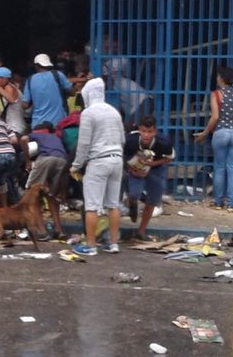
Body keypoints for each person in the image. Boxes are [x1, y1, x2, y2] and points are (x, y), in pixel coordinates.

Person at [71, 77, 124, 256]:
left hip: (99, 161)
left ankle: (91, 245)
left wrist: (76, 165)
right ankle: (113, 243)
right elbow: (122, 139)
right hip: (117, 159)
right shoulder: (114, 111)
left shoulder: (89, 113)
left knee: (92, 206)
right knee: (113, 204)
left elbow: (84, 144)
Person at [195, 65, 233, 211]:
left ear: (221, 78)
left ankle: (219, 202)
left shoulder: (216, 94)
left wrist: (205, 133)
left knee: (219, 168)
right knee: (232, 168)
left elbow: (215, 117)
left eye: (218, 76)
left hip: (221, 133)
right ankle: (232, 204)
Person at [124, 116, 174, 242]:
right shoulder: (130, 140)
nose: (146, 135)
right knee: (134, 194)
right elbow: (121, 156)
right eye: (143, 131)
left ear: (155, 131)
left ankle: (141, 231)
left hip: (156, 169)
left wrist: (152, 164)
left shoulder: (164, 142)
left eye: (150, 132)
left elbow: (168, 158)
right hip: (135, 168)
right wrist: (131, 168)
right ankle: (132, 205)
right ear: (139, 130)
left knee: (152, 201)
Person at [26, 122, 70, 239]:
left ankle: (42, 231)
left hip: (46, 159)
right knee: (51, 195)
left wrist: (27, 160)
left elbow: (23, 139)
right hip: (62, 161)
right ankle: (58, 230)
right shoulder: (55, 137)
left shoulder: (36, 135)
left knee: (32, 195)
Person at [21, 53, 71, 129]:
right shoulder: (58, 75)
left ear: (36, 66)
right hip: (58, 123)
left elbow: (25, 105)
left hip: (38, 124)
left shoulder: (30, 79)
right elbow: (71, 91)